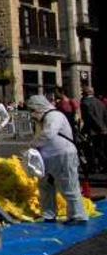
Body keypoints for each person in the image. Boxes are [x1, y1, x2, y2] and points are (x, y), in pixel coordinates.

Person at [27, 95, 88, 225]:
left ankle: (78, 216)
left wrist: (33, 144)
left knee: (68, 185)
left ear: (39, 107)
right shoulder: (41, 120)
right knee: (45, 187)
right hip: (48, 158)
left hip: (63, 155)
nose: (32, 113)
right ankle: (49, 214)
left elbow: (49, 134)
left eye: (33, 110)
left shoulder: (54, 116)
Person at [80, 86, 107, 171]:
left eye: (83, 92)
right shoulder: (100, 102)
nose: (82, 94)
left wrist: (100, 127)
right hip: (102, 129)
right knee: (100, 148)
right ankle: (102, 165)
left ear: (87, 93)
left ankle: (95, 166)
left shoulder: (85, 103)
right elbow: (105, 115)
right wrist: (104, 127)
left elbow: (90, 117)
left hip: (92, 130)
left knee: (91, 149)